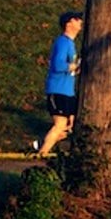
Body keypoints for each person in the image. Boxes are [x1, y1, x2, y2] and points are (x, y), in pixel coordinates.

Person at [34, 11, 82, 155]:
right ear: (68, 24)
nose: (80, 21)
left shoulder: (71, 44)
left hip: (68, 92)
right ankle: (42, 153)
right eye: (76, 19)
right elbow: (58, 65)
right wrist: (73, 66)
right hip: (58, 90)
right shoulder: (62, 42)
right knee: (60, 124)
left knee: (69, 127)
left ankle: (41, 143)